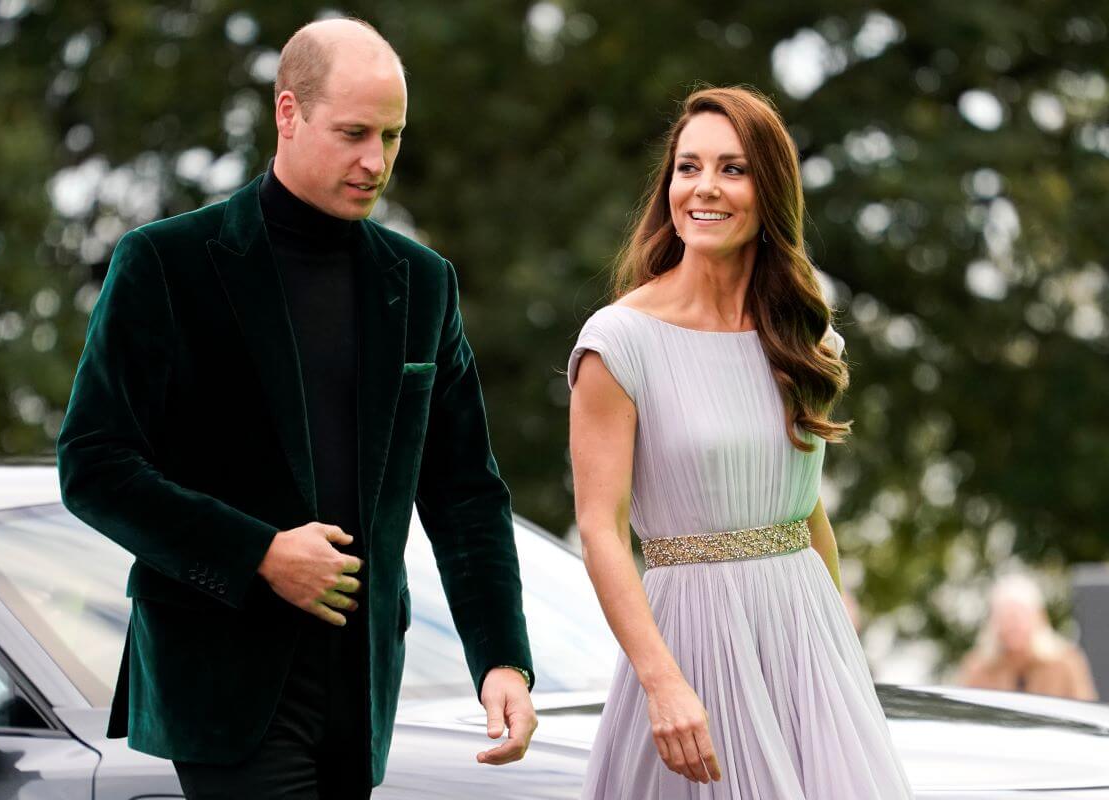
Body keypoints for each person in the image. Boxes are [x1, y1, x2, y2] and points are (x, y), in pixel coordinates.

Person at [57, 18, 535, 800]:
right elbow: (94, 465)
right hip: (222, 676)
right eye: (353, 133)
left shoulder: (423, 283)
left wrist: (502, 659)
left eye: (392, 136)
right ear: (288, 113)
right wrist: (260, 554)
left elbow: (465, 492)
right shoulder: (166, 263)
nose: (375, 161)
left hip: (362, 680)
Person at [568, 86, 913, 798]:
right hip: (690, 649)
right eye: (688, 167)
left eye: (732, 169)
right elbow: (600, 530)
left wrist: (842, 659)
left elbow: (808, 515)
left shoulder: (805, 339)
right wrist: (662, 684)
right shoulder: (618, 342)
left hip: (809, 648)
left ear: (770, 190)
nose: (704, 188)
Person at [957, 573, 1098, 700]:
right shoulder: (979, 667)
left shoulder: (1066, 664)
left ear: (1038, 618)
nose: (1012, 624)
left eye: (1019, 616)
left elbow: (1085, 713)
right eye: (1005, 617)